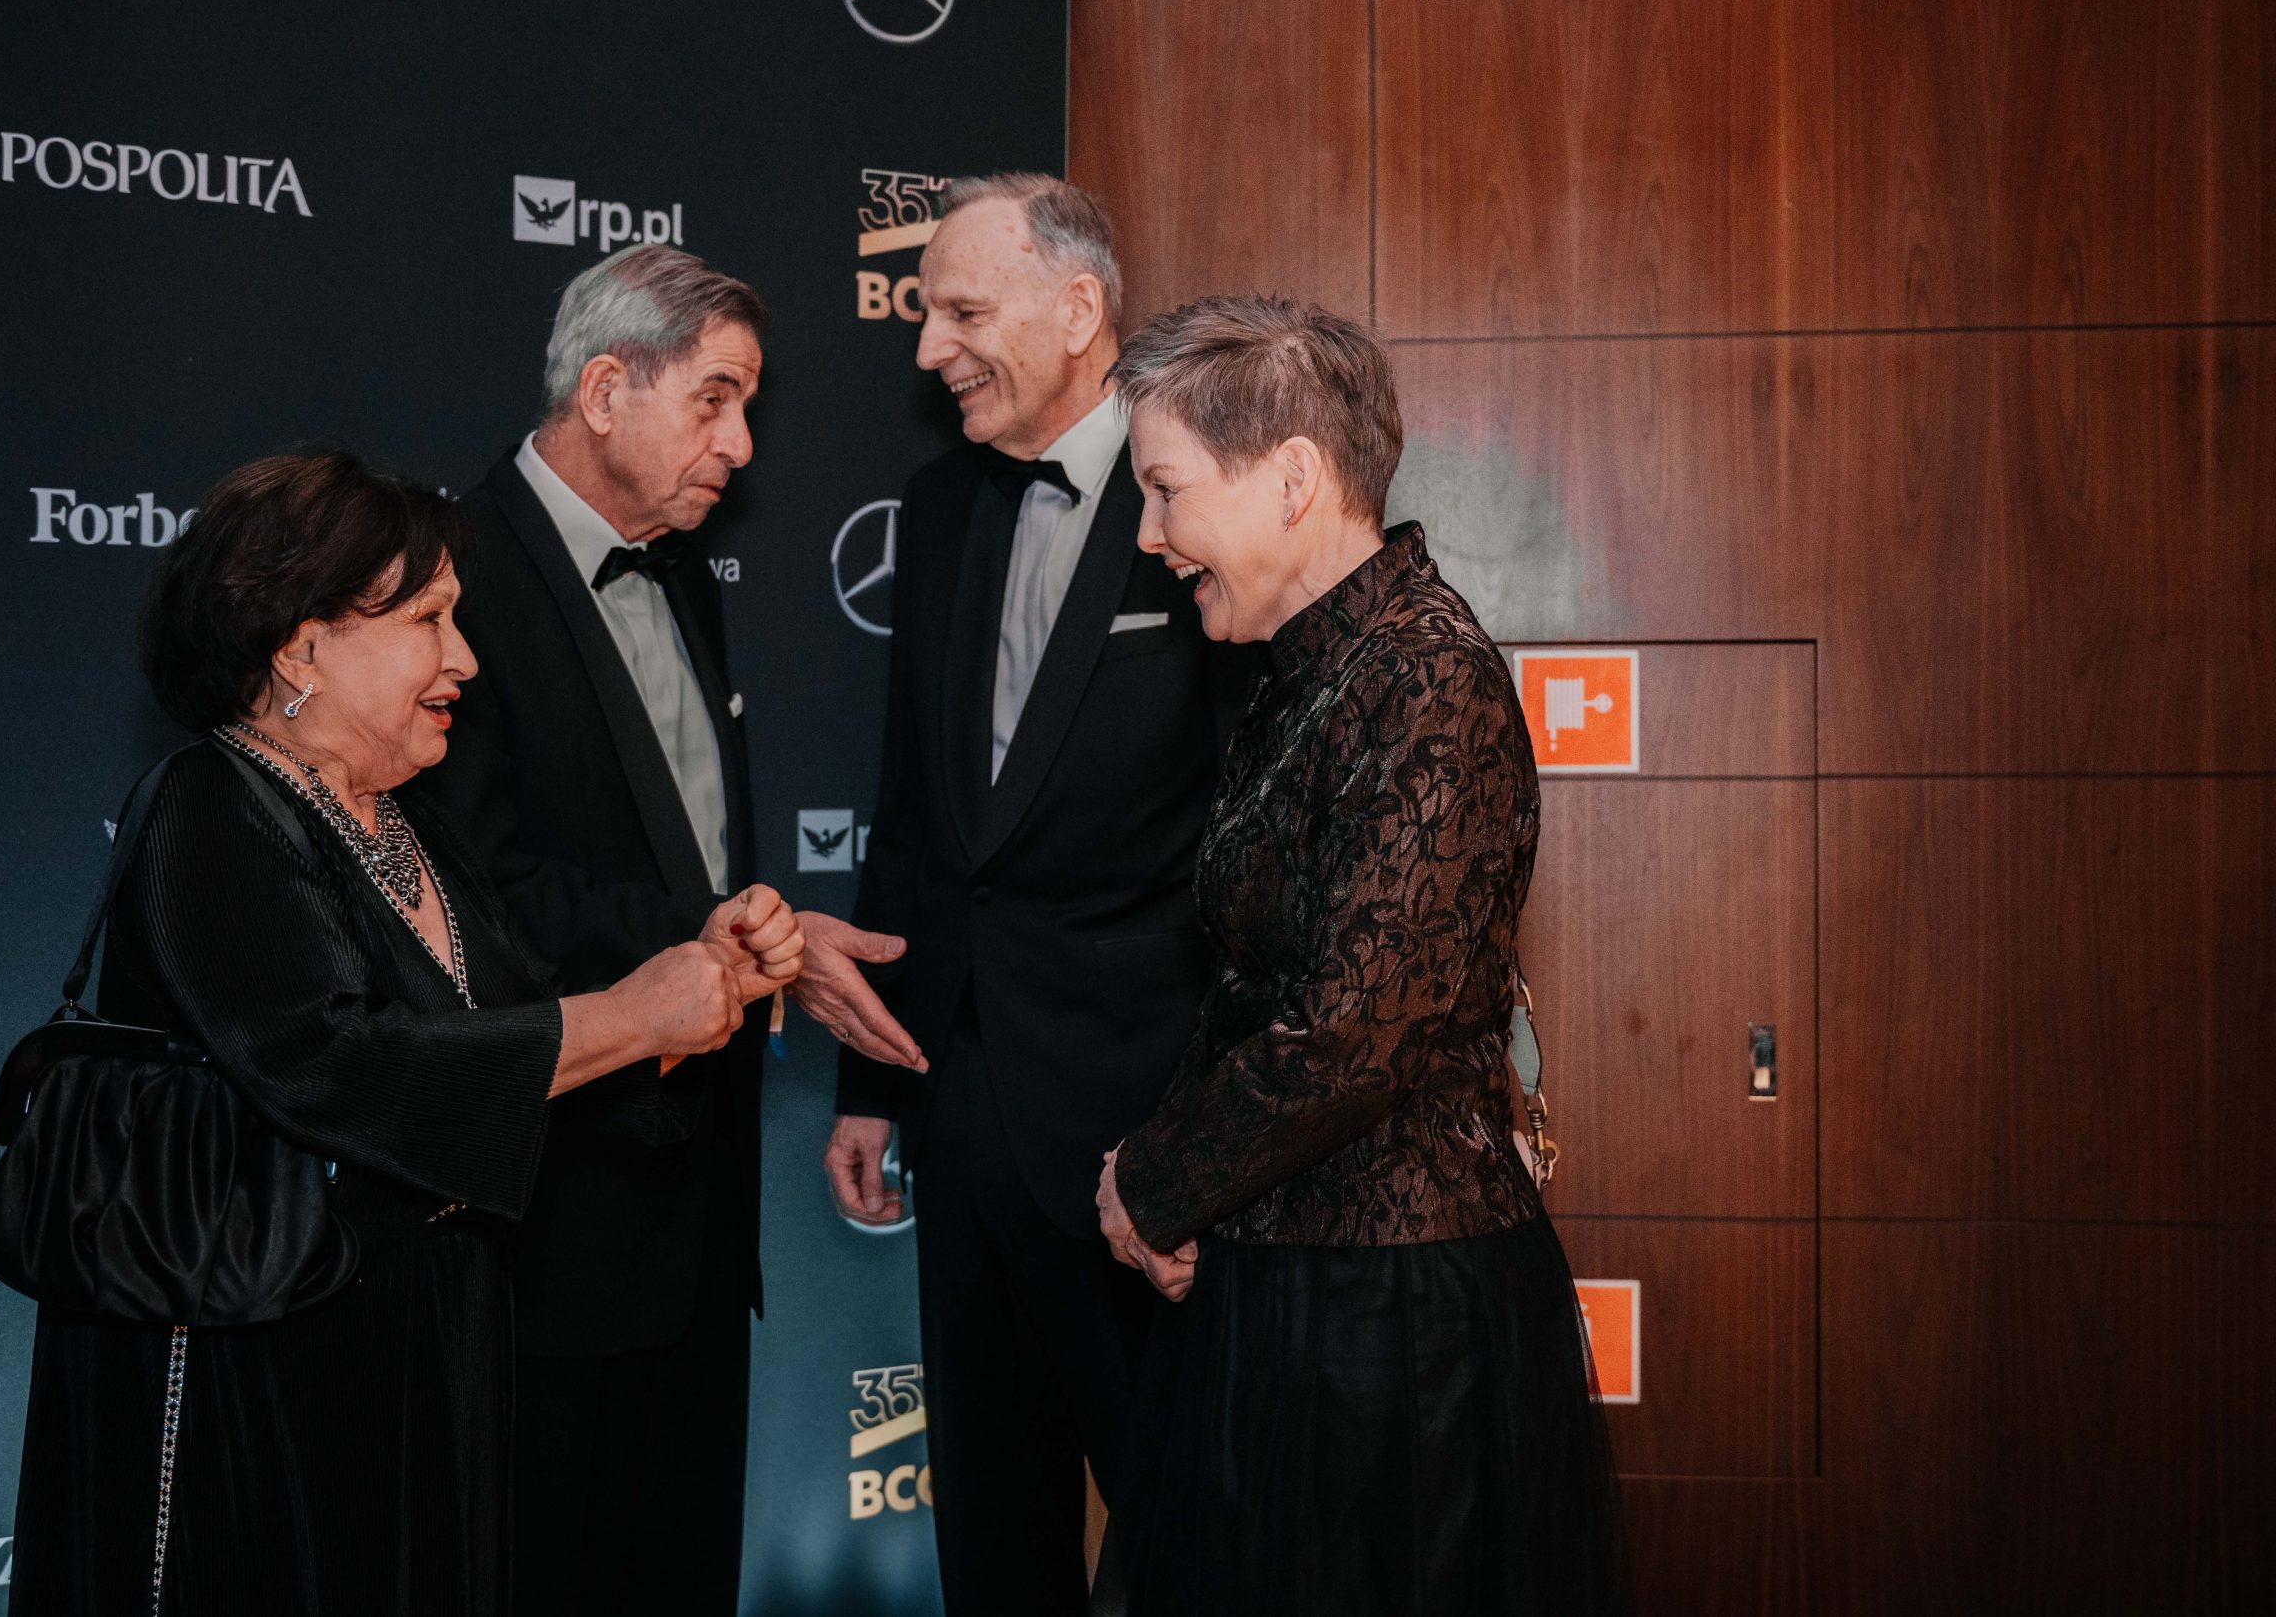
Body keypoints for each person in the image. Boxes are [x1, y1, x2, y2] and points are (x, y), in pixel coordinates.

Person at [8, 451, 803, 1617]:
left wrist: (699, 996)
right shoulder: (209, 806)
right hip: (263, 1372)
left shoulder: (408, 824)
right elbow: (338, 1066)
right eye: (429, 620)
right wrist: (632, 1014)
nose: (465, 659)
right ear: (303, 647)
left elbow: (524, 1040)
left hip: (430, 1348)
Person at [1092, 295, 1631, 1614]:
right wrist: (1168, 1188)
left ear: (1290, 479)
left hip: (1394, 1327)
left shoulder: (1426, 674)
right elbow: (1248, 992)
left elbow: (1357, 1030)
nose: (1148, 534)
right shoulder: (1301, 673)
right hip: (1283, 1289)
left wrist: (1151, 1183)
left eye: (1165, 488)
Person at [417, 244, 924, 1616]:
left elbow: (692, 847)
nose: (742, 445)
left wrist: (752, 941)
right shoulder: (451, 578)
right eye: (715, 401)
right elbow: (476, 894)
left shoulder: (685, 571)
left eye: (745, 405)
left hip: (701, 1202)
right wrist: (729, 937)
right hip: (548, 1215)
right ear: (604, 391)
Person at [827, 175, 1245, 1616]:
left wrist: (1215, 1142)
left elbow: (1255, 832)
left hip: (1143, 1130)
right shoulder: (938, 505)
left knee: (1183, 1528)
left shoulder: (1200, 492)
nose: (927, 348)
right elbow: (912, 813)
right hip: (956, 1101)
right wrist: (867, 1078)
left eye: (961, 311)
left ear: (1078, 311)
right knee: (994, 1532)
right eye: (923, 313)